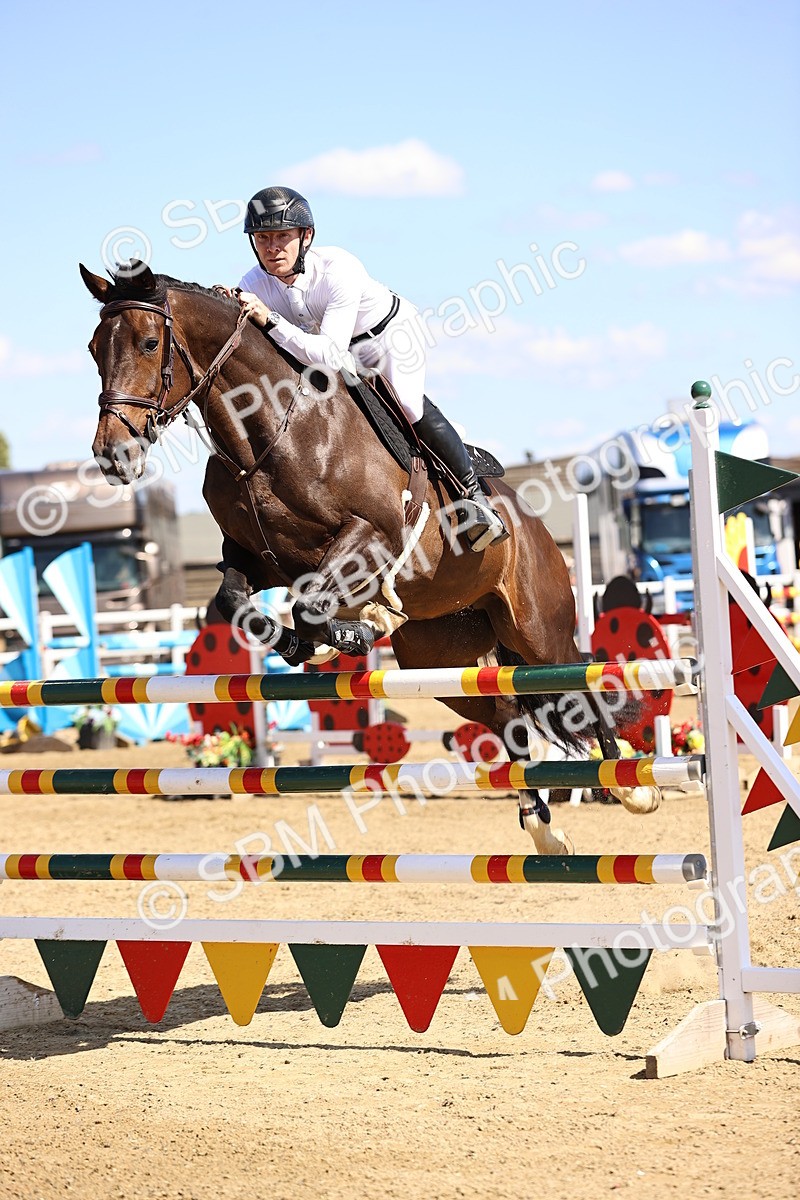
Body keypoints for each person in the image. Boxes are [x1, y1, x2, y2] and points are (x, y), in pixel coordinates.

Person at [229, 185, 508, 552]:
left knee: (408, 405)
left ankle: (474, 497)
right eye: (263, 237)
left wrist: (271, 322)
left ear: (306, 236)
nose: (272, 247)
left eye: (282, 236)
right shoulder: (252, 283)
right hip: (335, 349)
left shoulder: (338, 268)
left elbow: (325, 354)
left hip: (389, 336)